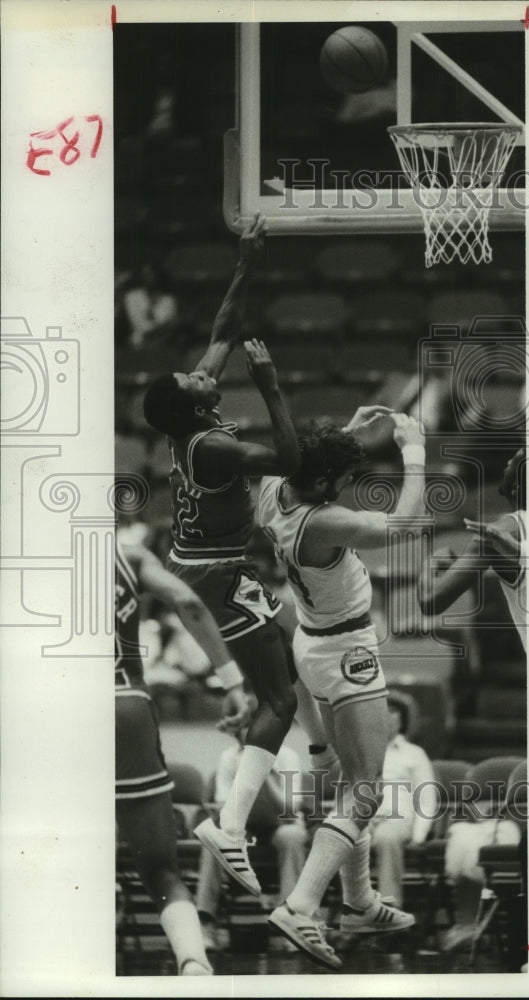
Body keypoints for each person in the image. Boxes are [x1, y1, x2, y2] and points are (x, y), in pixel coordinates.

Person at [142, 215, 338, 898]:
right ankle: (228, 825)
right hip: (219, 573)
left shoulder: (190, 414)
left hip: (214, 561)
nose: (203, 374)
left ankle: (317, 758)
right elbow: (287, 459)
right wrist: (270, 383)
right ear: (190, 406)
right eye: (194, 380)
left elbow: (223, 329)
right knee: (278, 698)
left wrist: (244, 261)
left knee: (291, 658)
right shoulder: (214, 446)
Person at [256, 408, 428, 968]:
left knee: (349, 785)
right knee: (368, 789)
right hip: (346, 651)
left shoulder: (272, 488)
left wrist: (343, 438)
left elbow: (305, 466)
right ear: (327, 486)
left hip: (311, 639)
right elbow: (403, 527)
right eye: (344, 480)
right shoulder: (324, 521)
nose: (349, 488)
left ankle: (358, 901)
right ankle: (301, 906)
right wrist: (414, 451)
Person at [115, 541, 248, 976]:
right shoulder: (126, 555)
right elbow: (188, 600)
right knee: (160, 872)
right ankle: (193, 965)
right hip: (122, 706)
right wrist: (231, 682)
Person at [416, 447, 526, 952]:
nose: (509, 460)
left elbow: (430, 600)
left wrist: (431, 567)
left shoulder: (511, 526)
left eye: (518, 458)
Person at [196, 692, 308, 949]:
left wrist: (263, 768)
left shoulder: (288, 757)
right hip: (242, 829)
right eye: (243, 725)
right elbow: (224, 809)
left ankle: (289, 923)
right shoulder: (228, 758)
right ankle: (206, 923)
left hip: (282, 827)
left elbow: (291, 810)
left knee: (293, 837)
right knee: (212, 839)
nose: (249, 731)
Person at [417, 446, 527, 650]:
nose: (507, 462)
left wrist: (430, 563)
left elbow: (430, 600)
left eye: (514, 461)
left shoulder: (500, 532)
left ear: (516, 487)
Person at [369, 697, 437, 908]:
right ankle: (353, 914)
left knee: (386, 837)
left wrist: (419, 835)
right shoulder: (362, 750)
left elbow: (427, 799)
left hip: (397, 821)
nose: (386, 717)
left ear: (401, 720)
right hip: (365, 818)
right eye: (382, 711)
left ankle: (390, 910)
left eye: (392, 712)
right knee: (344, 840)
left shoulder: (415, 755)